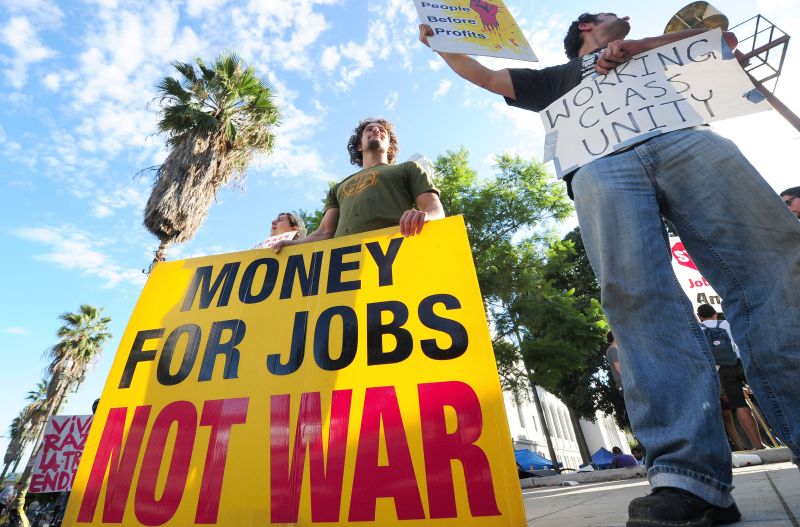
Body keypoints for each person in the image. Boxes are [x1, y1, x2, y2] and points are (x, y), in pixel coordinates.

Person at [421, 12, 800, 526]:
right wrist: (443, 42)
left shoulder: (649, 45)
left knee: (771, 265)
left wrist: (643, 44)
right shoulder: (557, 77)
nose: (621, 18)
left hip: (687, 140)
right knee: (636, 297)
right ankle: (690, 479)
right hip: (601, 165)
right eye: (609, 17)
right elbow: (486, 76)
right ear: (584, 26)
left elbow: (720, 40)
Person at [273, 118, 444, 253]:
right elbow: (324, 232)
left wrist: (426, 216)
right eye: (369, 129)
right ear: (359, 146)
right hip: (343, 263)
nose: (376, 130)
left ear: (389, 146)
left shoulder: (408, 168)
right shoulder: (338, 187)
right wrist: (293, 245)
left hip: (395, 251)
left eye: (382, 130)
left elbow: (434, 208)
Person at [697, 304, 764, 450]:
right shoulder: (727, 323)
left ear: (700, 316)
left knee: (739, 405)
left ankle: (758, 445)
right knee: (765, 398)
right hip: (742, 363)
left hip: (722, 370)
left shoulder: (699, 330)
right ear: (715, 313)